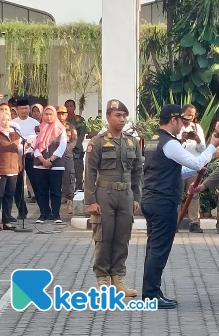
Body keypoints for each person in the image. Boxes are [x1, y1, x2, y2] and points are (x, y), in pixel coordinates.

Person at [141, 104, 219, 309]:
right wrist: (213, 146)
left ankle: (151, 291)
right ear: (173, 120)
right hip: (163, 201)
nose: (183, 126)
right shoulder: (170, 143)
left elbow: (173, 171)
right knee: (159, 250)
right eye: (181, 121)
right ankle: (151, 295)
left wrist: (196, 168)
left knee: (153, 248)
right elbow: (195, 163)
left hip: (152, 199)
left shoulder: (154, 141)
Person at [85, 100, 143, 295]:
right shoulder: (98, 142)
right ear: (108, 116)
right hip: (104, 194)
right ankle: (102, 279)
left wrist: (136, 197)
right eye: (118, 115)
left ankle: (118, 279)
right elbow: (90, 173)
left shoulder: (132, 141)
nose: (122, 119)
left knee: (122, 237)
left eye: (124, 116)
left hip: (125, 194)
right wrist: (91, 200)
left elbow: (137, 172)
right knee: (104, 237)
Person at [33, 106, 68, 224]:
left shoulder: (61, 129)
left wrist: (50, 160)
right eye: (46, 114)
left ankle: (56, 214)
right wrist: (43, 160)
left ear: (54, 115)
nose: (48, 116)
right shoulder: (38, 128)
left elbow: (62, 146)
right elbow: (35, 146)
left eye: (51, 114)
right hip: (40, 164)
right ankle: (44, 214)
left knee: (56, 191)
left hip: (56, 164)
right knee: (42, 191)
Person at [177, 104, 206, 233]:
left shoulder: (197, 128)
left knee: (194, 194)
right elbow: (173, 148)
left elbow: (203, 149)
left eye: (193, 115)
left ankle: (194, 222)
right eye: (189, 114)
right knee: (177, 193)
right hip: (179, 166)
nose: (191, 117)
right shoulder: (176, 126)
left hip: (193, 165)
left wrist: (198, 140)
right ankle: (175, 221)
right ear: (182, 113)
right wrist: (182, 140)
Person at [12, 98, 40, 219]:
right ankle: (22, 211)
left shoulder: (35, 123)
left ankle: (43, 210)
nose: (24, 111)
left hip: (31, 156)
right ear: (17, 109)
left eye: (26, 108)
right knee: (17, 185)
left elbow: (39, 139)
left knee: (36, 182)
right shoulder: (12, 123)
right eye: (22, 108)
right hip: (16, 156)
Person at [58, 106, 78, 213]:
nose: (61, 116)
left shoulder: (71, 127)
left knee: (69, 175)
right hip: (55, 154)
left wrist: (67, 150)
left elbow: (74, 140)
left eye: (63, 114)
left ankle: (69, 198)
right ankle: (60, 196)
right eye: (59, 113)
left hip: (67, 153)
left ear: (66, 115)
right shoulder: (52, 127)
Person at [65, 99, 87, 191]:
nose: (69, 108)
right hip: (65, 149)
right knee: (67, 172)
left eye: (71, 106)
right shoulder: (62, 120)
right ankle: (67, 192)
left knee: (78, 170)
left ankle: (78, 190)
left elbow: (82, 134)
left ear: (74, 107)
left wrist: (75, 146)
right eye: (67, 106)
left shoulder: (80, 120)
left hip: (77, 149)